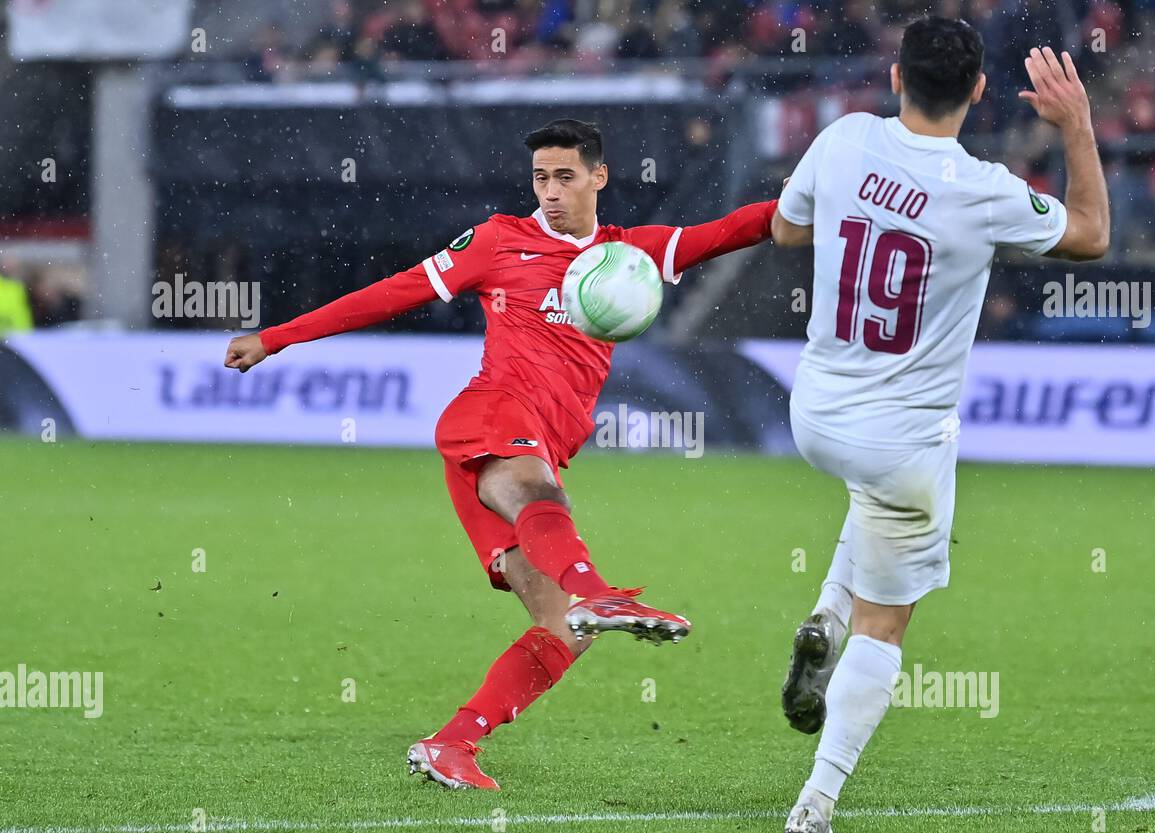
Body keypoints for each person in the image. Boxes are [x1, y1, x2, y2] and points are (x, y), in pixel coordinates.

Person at [224, 119, 777, 791]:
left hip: (529, 447)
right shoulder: (497, 241)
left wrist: (814, 201)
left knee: (562, 629)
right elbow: (394, 291)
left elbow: (737, 229)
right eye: (540, 178)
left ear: (598, 177)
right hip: (491, 417)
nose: (550, 192)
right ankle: (597, 591)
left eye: (565, 177)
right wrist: (279, 336)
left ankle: (452, 744)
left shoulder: (627, 255)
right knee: (542, 499)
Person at [770, 17, 1109, 833]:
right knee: (891, 617)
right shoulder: (985, 188)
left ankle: (826, 614)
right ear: (982, 92)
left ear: (893, 77)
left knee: (875, 499)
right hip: (903, 439)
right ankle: (815, 805)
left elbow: (785, 229)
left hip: (814, 411)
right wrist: (1078, 127)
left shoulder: (844, 138)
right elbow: (1092, 236)